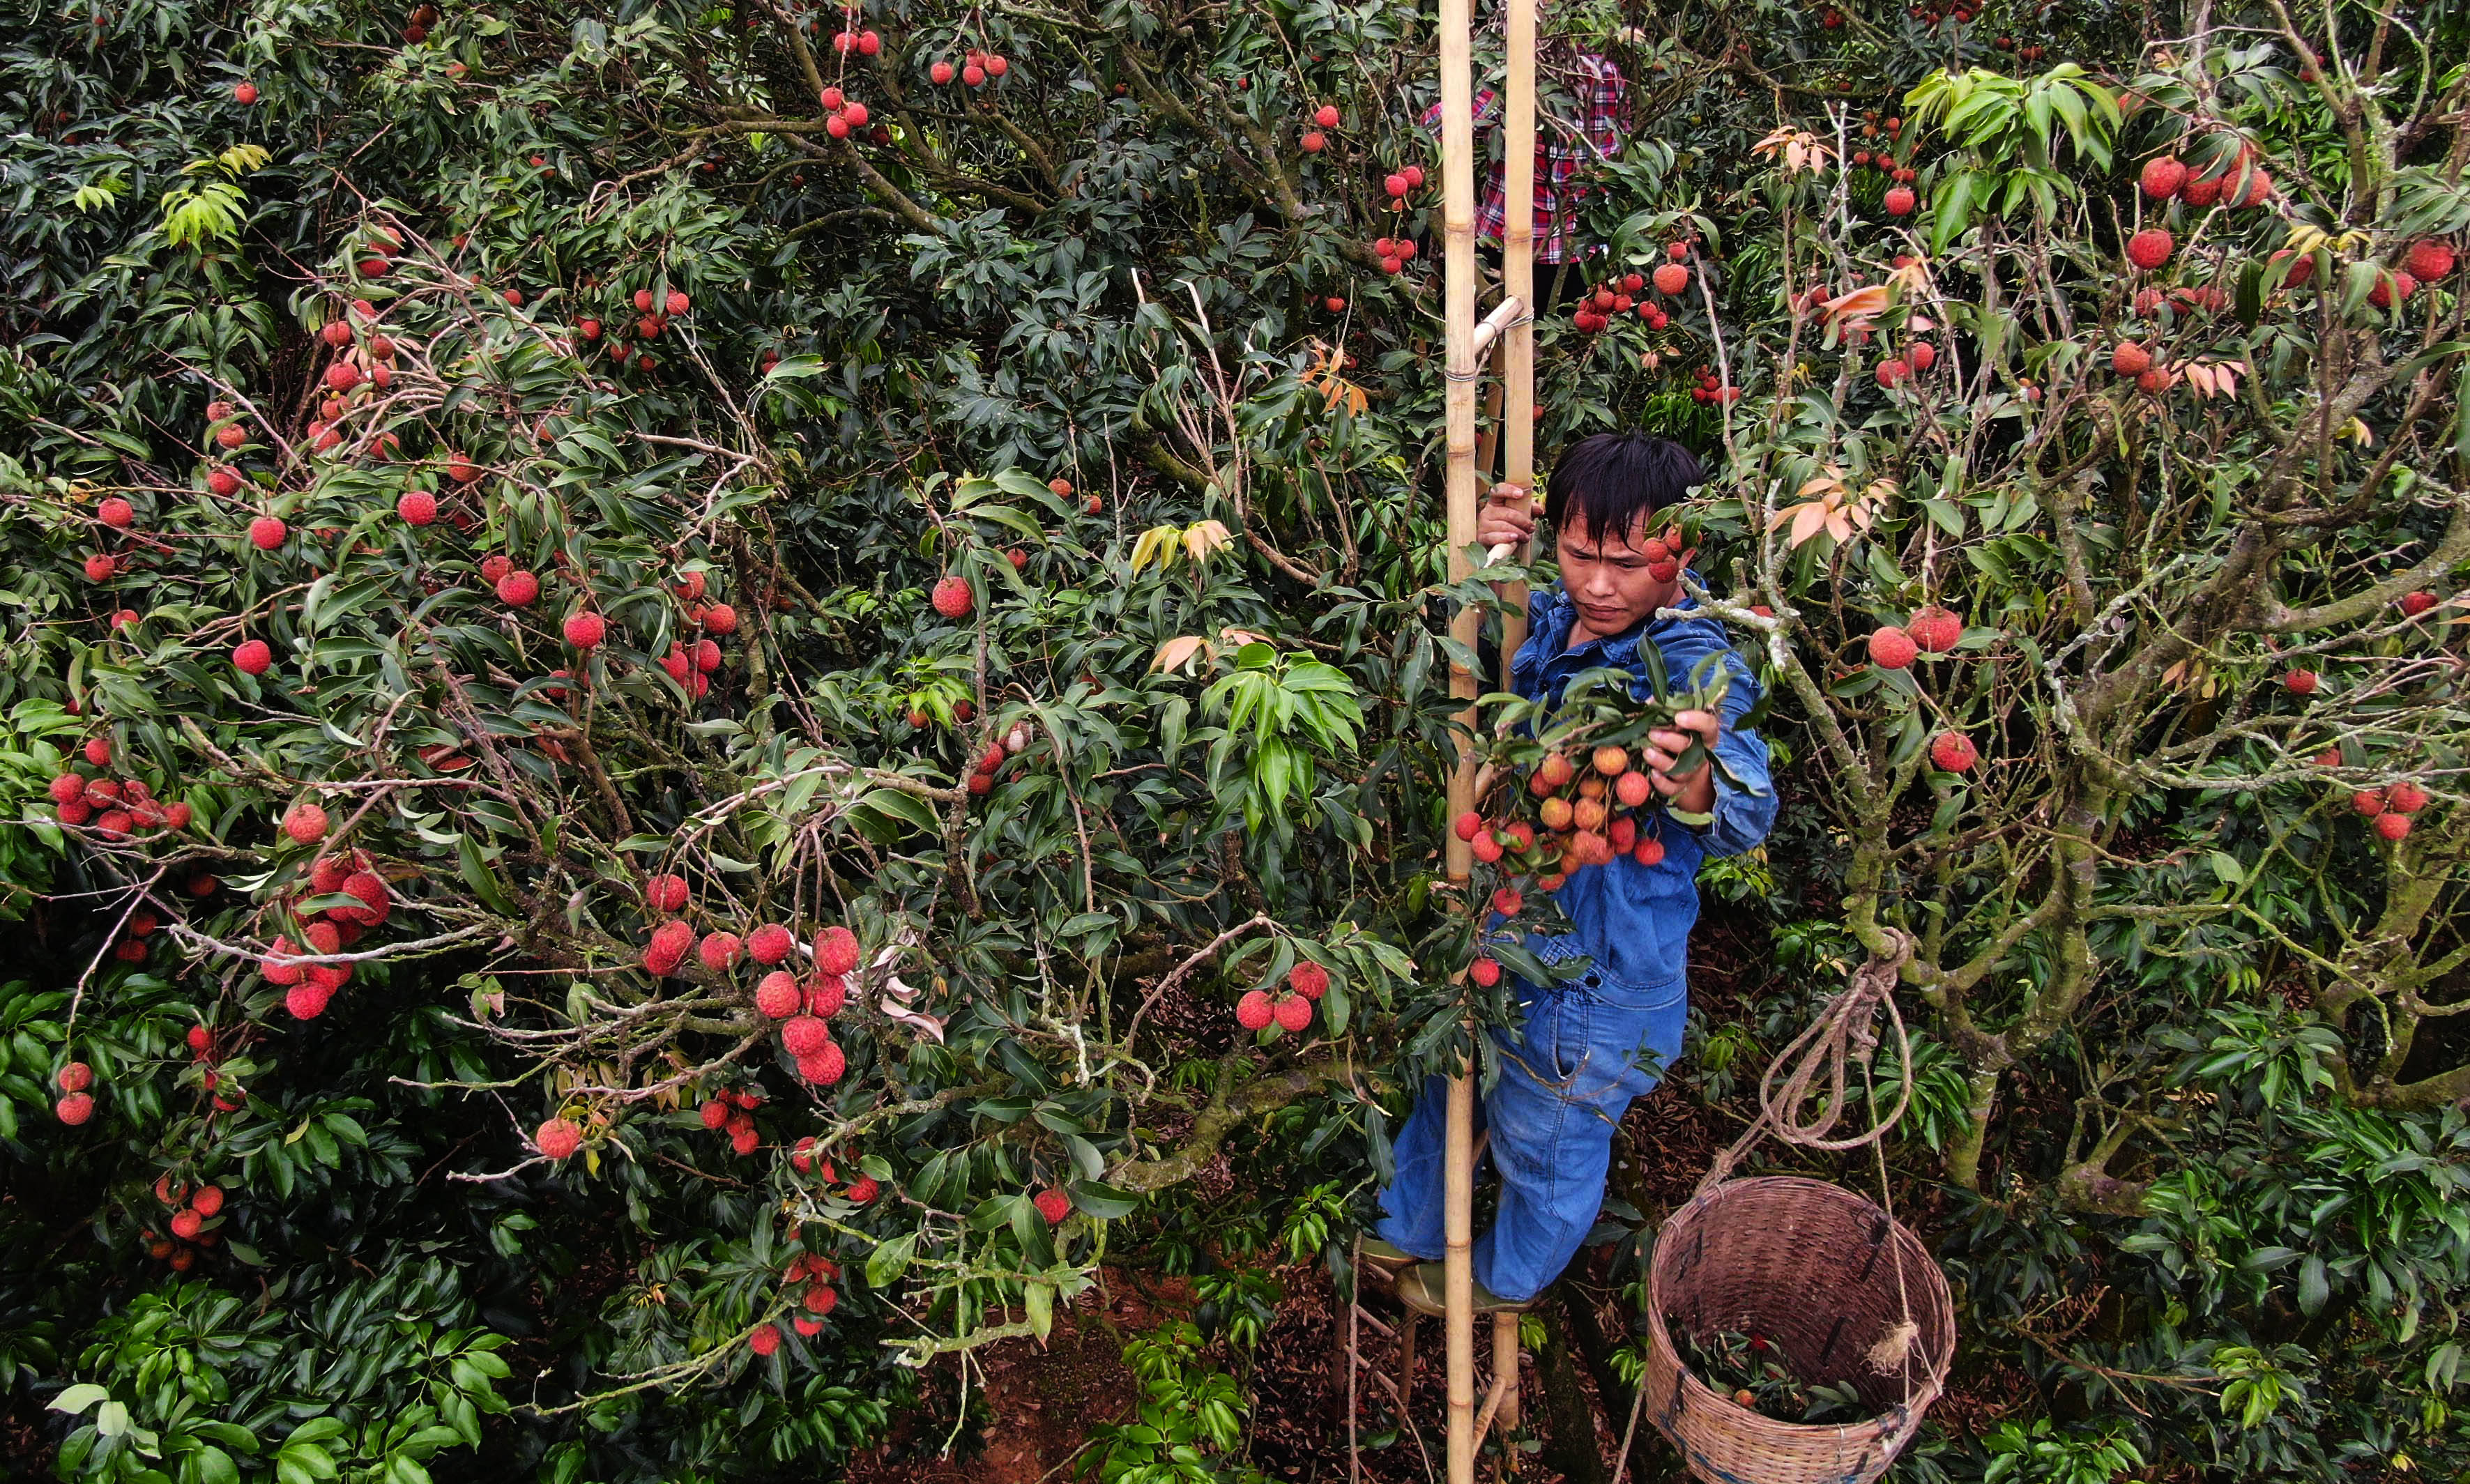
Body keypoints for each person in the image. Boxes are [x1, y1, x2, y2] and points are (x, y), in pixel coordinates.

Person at [1368, 431, 1776, 1312]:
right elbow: (1486, 646)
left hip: (1598, 987)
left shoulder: (1700, 665)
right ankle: (1406, 1222)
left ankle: (1505, 1281)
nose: (1598, 584)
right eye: (1579, 554)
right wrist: (1489, 558)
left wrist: (1691, 770)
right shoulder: (1554, 616)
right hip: (1502, 932)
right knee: (1446, 1086)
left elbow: (1747, 810)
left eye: (1627, 563)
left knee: (1544, 1146)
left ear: (1681, 552)